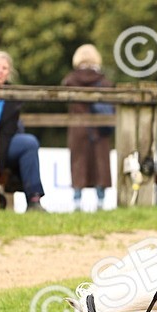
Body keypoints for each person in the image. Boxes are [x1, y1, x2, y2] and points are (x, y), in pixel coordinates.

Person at [0, 51, 46, 211]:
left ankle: (34, 198)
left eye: (4, 68)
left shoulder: (13, 97)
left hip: (1, 144)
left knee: (28, 143)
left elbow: (7, 133)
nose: (0, 71)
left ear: (9, 73)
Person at [62, 44, 112, 212]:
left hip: (78, 128)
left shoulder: (70, 80)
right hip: (99, 128)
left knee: (78, 163)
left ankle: (77, 200)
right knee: (101, 164)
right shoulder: (103, 81)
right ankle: (101, 202)